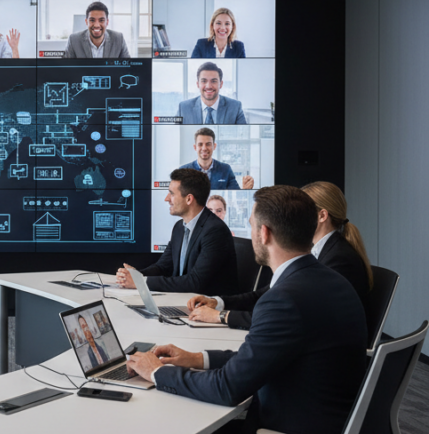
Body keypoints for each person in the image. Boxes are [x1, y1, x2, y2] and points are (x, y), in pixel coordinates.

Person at [126, 186, 367, 434]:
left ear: (265, 233)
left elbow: (228, 389)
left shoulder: (285, 296)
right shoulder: (327, 280)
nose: (250, 229)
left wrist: (161, 373)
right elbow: (264, 356)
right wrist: (196, 358)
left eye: (252, 223)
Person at [189, 181, 374, 331]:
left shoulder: (339, 259)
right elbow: (269, 292)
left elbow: (287, 314)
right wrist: (219, 302)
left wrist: (221, 316)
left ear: (322, 216)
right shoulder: (319, 251)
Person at [116, 168, 237, 295]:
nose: (167, 199)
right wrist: (136, 275)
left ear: (189, 199)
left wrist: (141, 282)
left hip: (207, 307)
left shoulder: (215, 231)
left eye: (172, 194)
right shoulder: (179, 227)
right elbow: (163, 267)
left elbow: (195, 283)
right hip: (184, 300)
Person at [179, 127, 253, 189]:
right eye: (200, 144)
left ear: (214, 146)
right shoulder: (183, 171)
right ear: (195, 147)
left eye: (208, 144)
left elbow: (235, 192)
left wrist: (245, 189)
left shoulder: (225, 169)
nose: (204, 148)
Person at [176, 62, 248, 125]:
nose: (209, 86)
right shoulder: (183, 108)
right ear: (198, 84)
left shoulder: (235, 107)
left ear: (221, 84)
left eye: (213, 81)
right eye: (204, 81)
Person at [63, 1, 131, 58]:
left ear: (107, 22)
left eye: (101, 20)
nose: (96, 25)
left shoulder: (118, 39)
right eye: (92, 20)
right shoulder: (74, 40)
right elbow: (66, 68)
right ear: (86, 22)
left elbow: (129, 67)